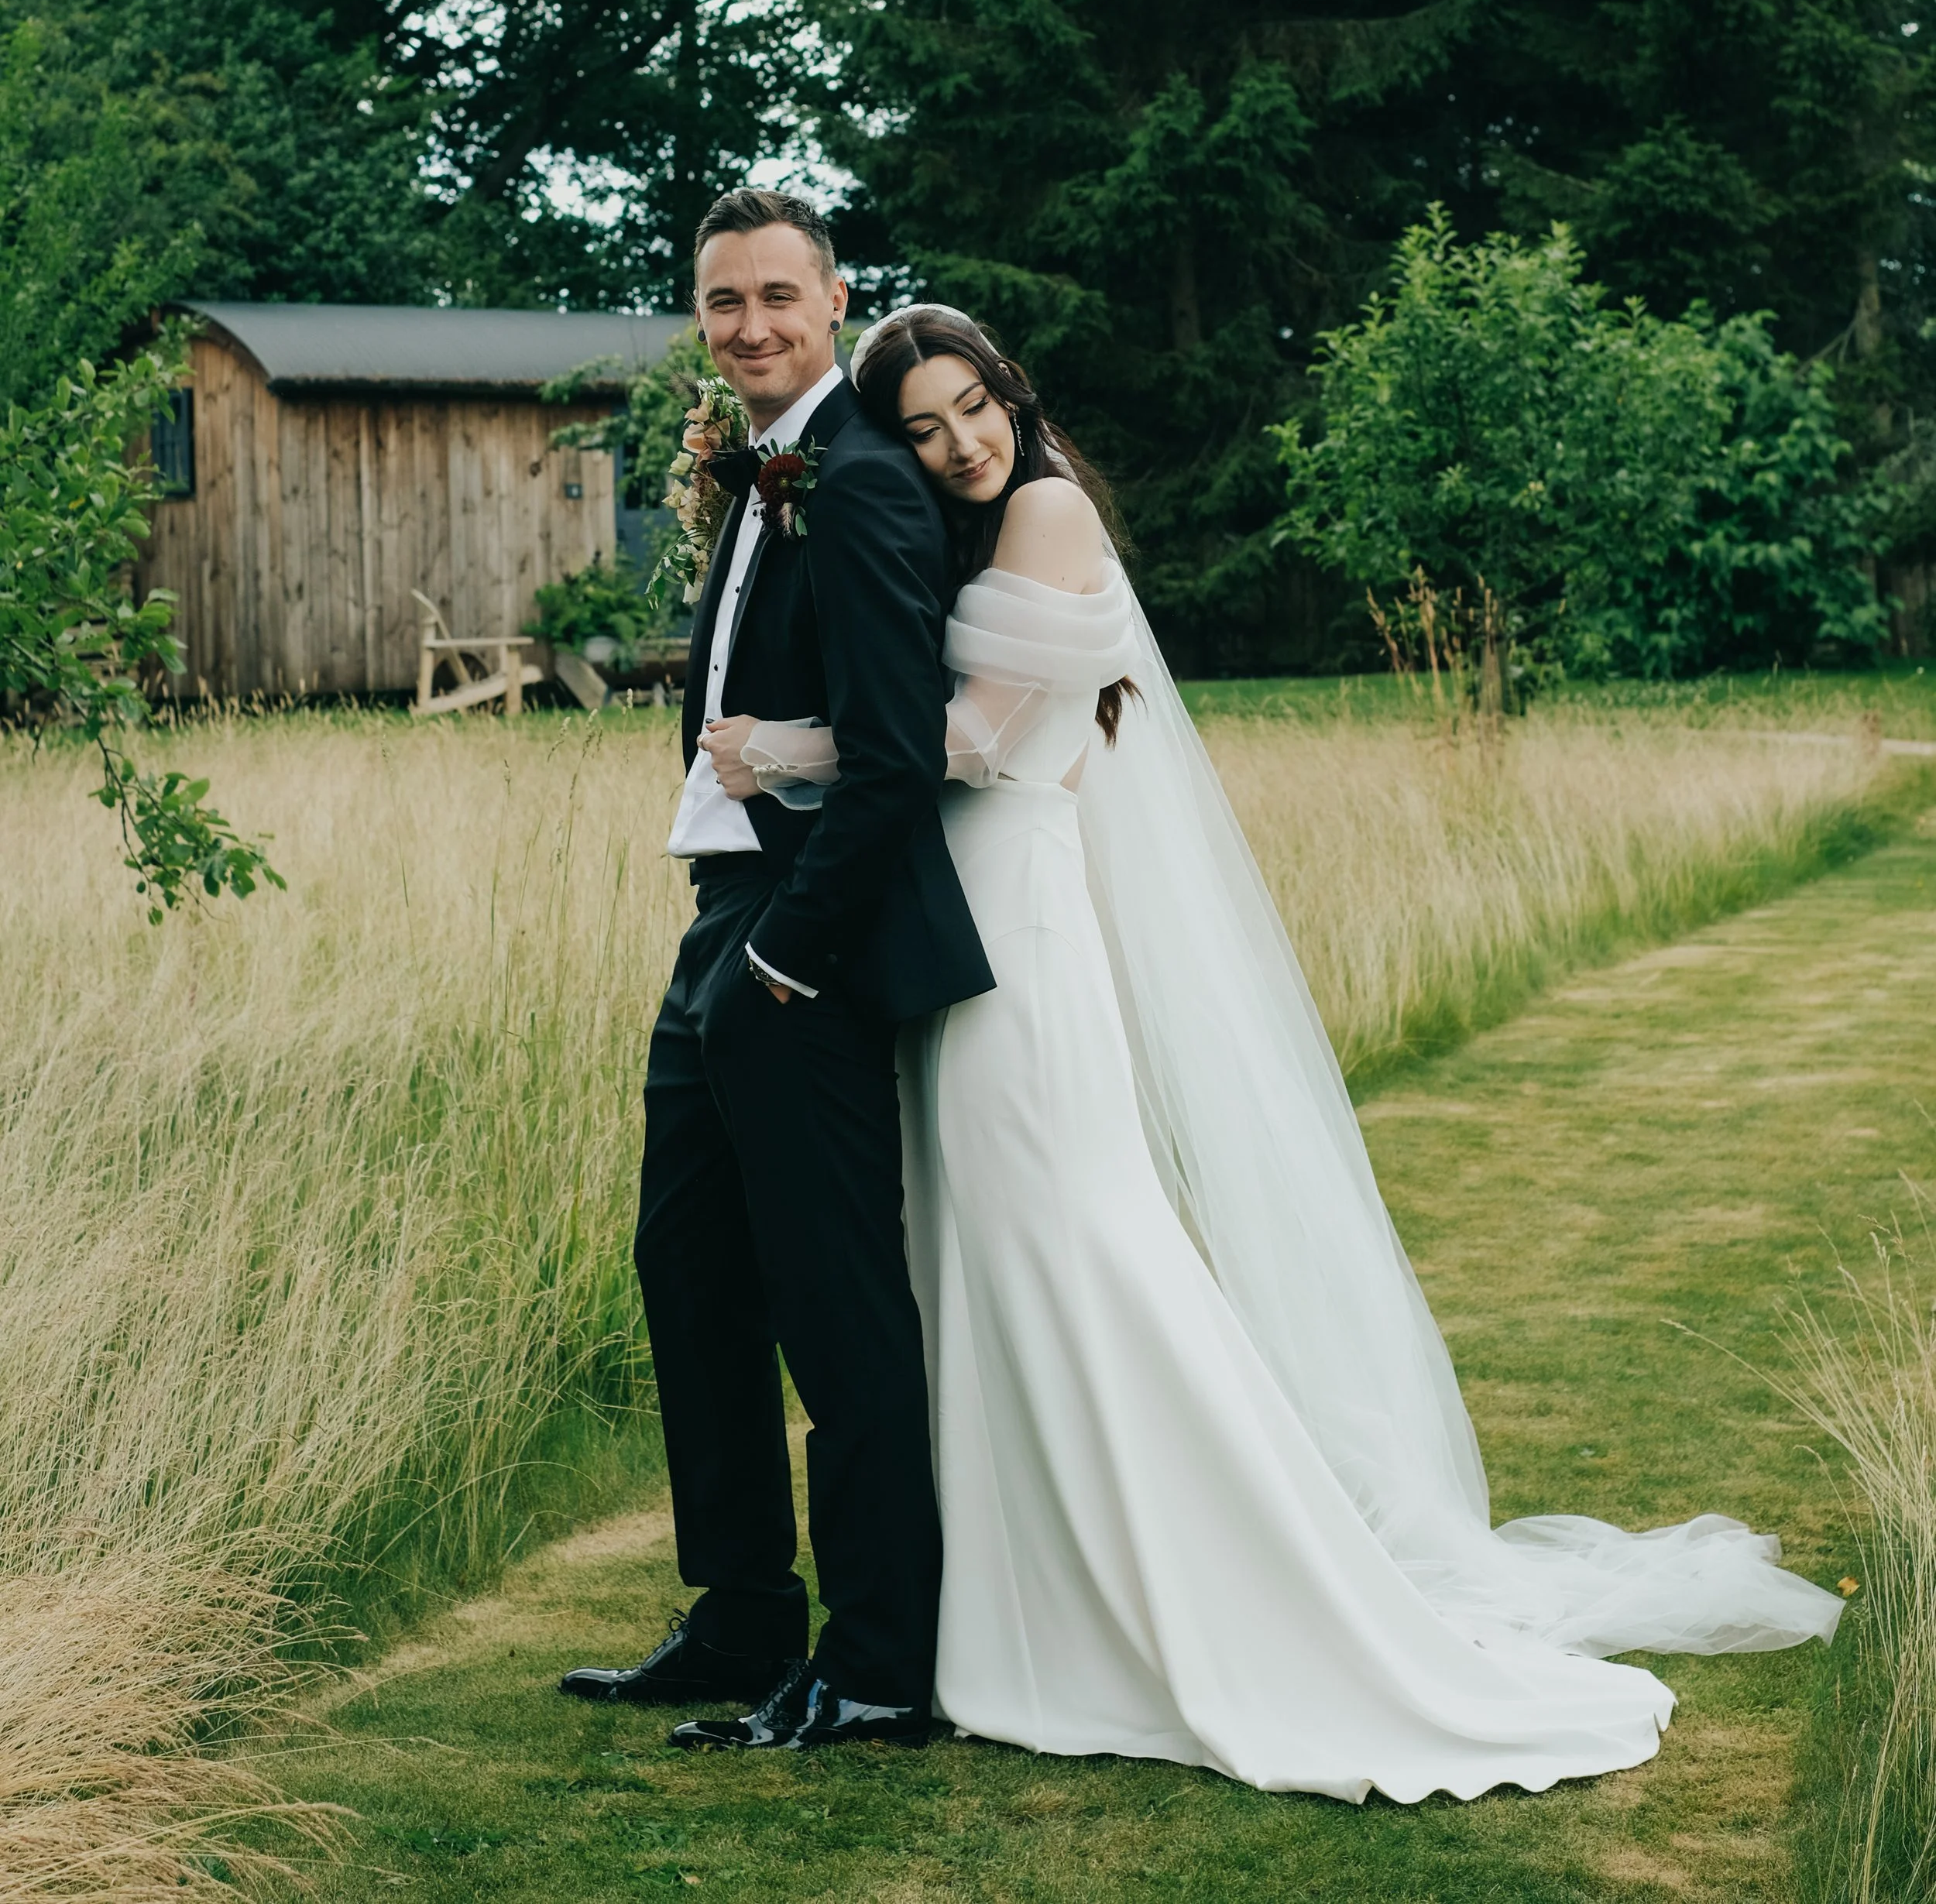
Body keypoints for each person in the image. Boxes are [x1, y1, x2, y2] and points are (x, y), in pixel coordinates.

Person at [705, 304, 1842, 1801]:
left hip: (1024, 933)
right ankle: (1025, 1602)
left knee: (1077, 1246)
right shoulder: (961, 531)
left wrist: (782, 747)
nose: (959, 443)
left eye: (973, 407)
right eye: (923, 430)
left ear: (1013, 396)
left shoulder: (1045, 509)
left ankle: (1224, 1589)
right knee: (987, 1259)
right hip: (964, 918)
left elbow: (968, 742)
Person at [559, 203, 993, 1755]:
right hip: (721, 911)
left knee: (836, 1305)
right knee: (686, 1271)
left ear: (834, 302)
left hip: (805, 935)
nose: (748, 324)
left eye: (776, 298)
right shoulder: (760, 475)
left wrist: (783, 967)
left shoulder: (861, 483)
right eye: (721, 301)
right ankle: (743, 1610)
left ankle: (879, 1665)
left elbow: (890, 770)